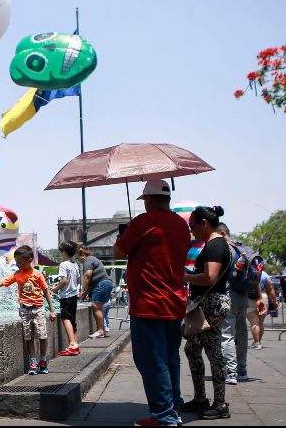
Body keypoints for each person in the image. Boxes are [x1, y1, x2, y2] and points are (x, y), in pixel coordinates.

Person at [114, 179, 190, 427]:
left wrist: (126, 234)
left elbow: (118, 252)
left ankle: (163, 415)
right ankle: (173, 405)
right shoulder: (181, 224)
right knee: (170, 358)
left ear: (148, 199)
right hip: (174, 302)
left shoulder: (143, 222)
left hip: (149, 302)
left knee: (150, 359)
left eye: (145, 200)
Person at [180, 206, 232, 420]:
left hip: (211, 303)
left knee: (213, 353)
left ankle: (220, 403)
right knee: (193, 349)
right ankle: (201, 398)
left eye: (193, 226)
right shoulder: (213, 244)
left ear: (204, 223)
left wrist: (186, 277)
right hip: (208, 303)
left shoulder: (215, 245)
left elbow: (210, 277)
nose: (192, 231)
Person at [0, 245, 56, 375]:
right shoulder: (17, 275)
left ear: (29, 260)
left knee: (42, 335)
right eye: (16, 262)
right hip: (24, 310)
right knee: (28, 337)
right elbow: (1, 283)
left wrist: (51, 310)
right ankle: (33, 362)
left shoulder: (37, 275)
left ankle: (43, 360)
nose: (18, 264)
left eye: (20, 262)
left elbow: (46, 292)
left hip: (38, 309)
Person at [217, 223, 250, 385]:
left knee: (227, 335)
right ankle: (242, 369)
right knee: (242, 334)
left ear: (222, 233)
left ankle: (231, 372)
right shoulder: (242, 248)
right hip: (242, 297)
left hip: (228, 296)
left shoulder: (225, 249)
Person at [50, 240, 81, 356]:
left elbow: (64, 281)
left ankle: (72, 344)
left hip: (66, 296)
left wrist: (56, 289)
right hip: (74, 295)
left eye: (61, 251)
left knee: (66, 318)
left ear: (64, 252)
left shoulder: (63, 265)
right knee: (72, 319)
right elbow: (77, 280)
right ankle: (75, 344)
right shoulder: (75, 264)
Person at [78, 246, 113, 339]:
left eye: (78, 257)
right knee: (100, 307)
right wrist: (84, 294)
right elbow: (91, 282)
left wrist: (82, 290)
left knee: (95, 306)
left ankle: (100, 330)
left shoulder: (88, 260)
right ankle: (102, 329)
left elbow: (87, 276)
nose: (78, 260)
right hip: (107, 283)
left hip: (101, 283)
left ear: (82, 255)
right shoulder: (93, 259)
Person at [247, 268, 277, 350]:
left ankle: (256, 343)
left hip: (249, 299)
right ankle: (258, 342)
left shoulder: (246, 273)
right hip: (263, 298)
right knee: (260, 322)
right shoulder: (264, 274)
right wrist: (275, 301)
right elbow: (270, 288)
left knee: (254, 322)